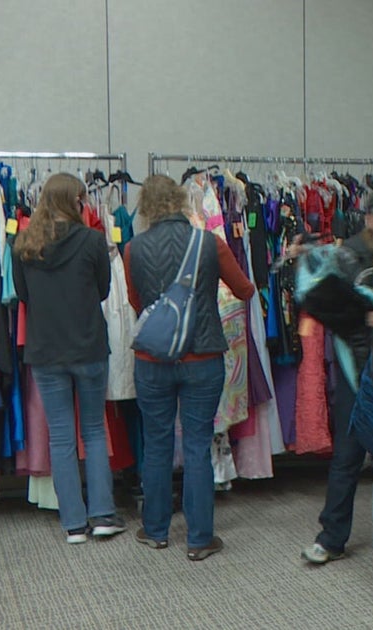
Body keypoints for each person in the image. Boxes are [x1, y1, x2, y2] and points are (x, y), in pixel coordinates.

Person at [123, 174, 255, 561]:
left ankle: (156, 530)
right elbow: (244, 290)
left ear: (146, 207)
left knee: (157, 443)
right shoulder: (209, 244)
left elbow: (136, 303)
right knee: (197, 444)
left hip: (152, 360)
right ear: (183, 202)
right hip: (203, 357)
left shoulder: (134, 249)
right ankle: (199, 539)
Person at [12, 172, 125, 544]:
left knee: (61, 437)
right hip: (89, 345)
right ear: (73, 202)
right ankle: (103, 515)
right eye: (81, 200)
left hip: (45, 350)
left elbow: (23, 295)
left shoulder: (24, 243)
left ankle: (74, 523)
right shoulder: (93, 241)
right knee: (93, 432)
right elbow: (104, 290)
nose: (85, 206)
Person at [302, 187, 373, 565]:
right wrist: (362, 317)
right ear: (368, 217)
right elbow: (322, 304)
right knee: (347, 454)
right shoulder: (348, 254)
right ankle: (331, 537)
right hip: (354, 366)